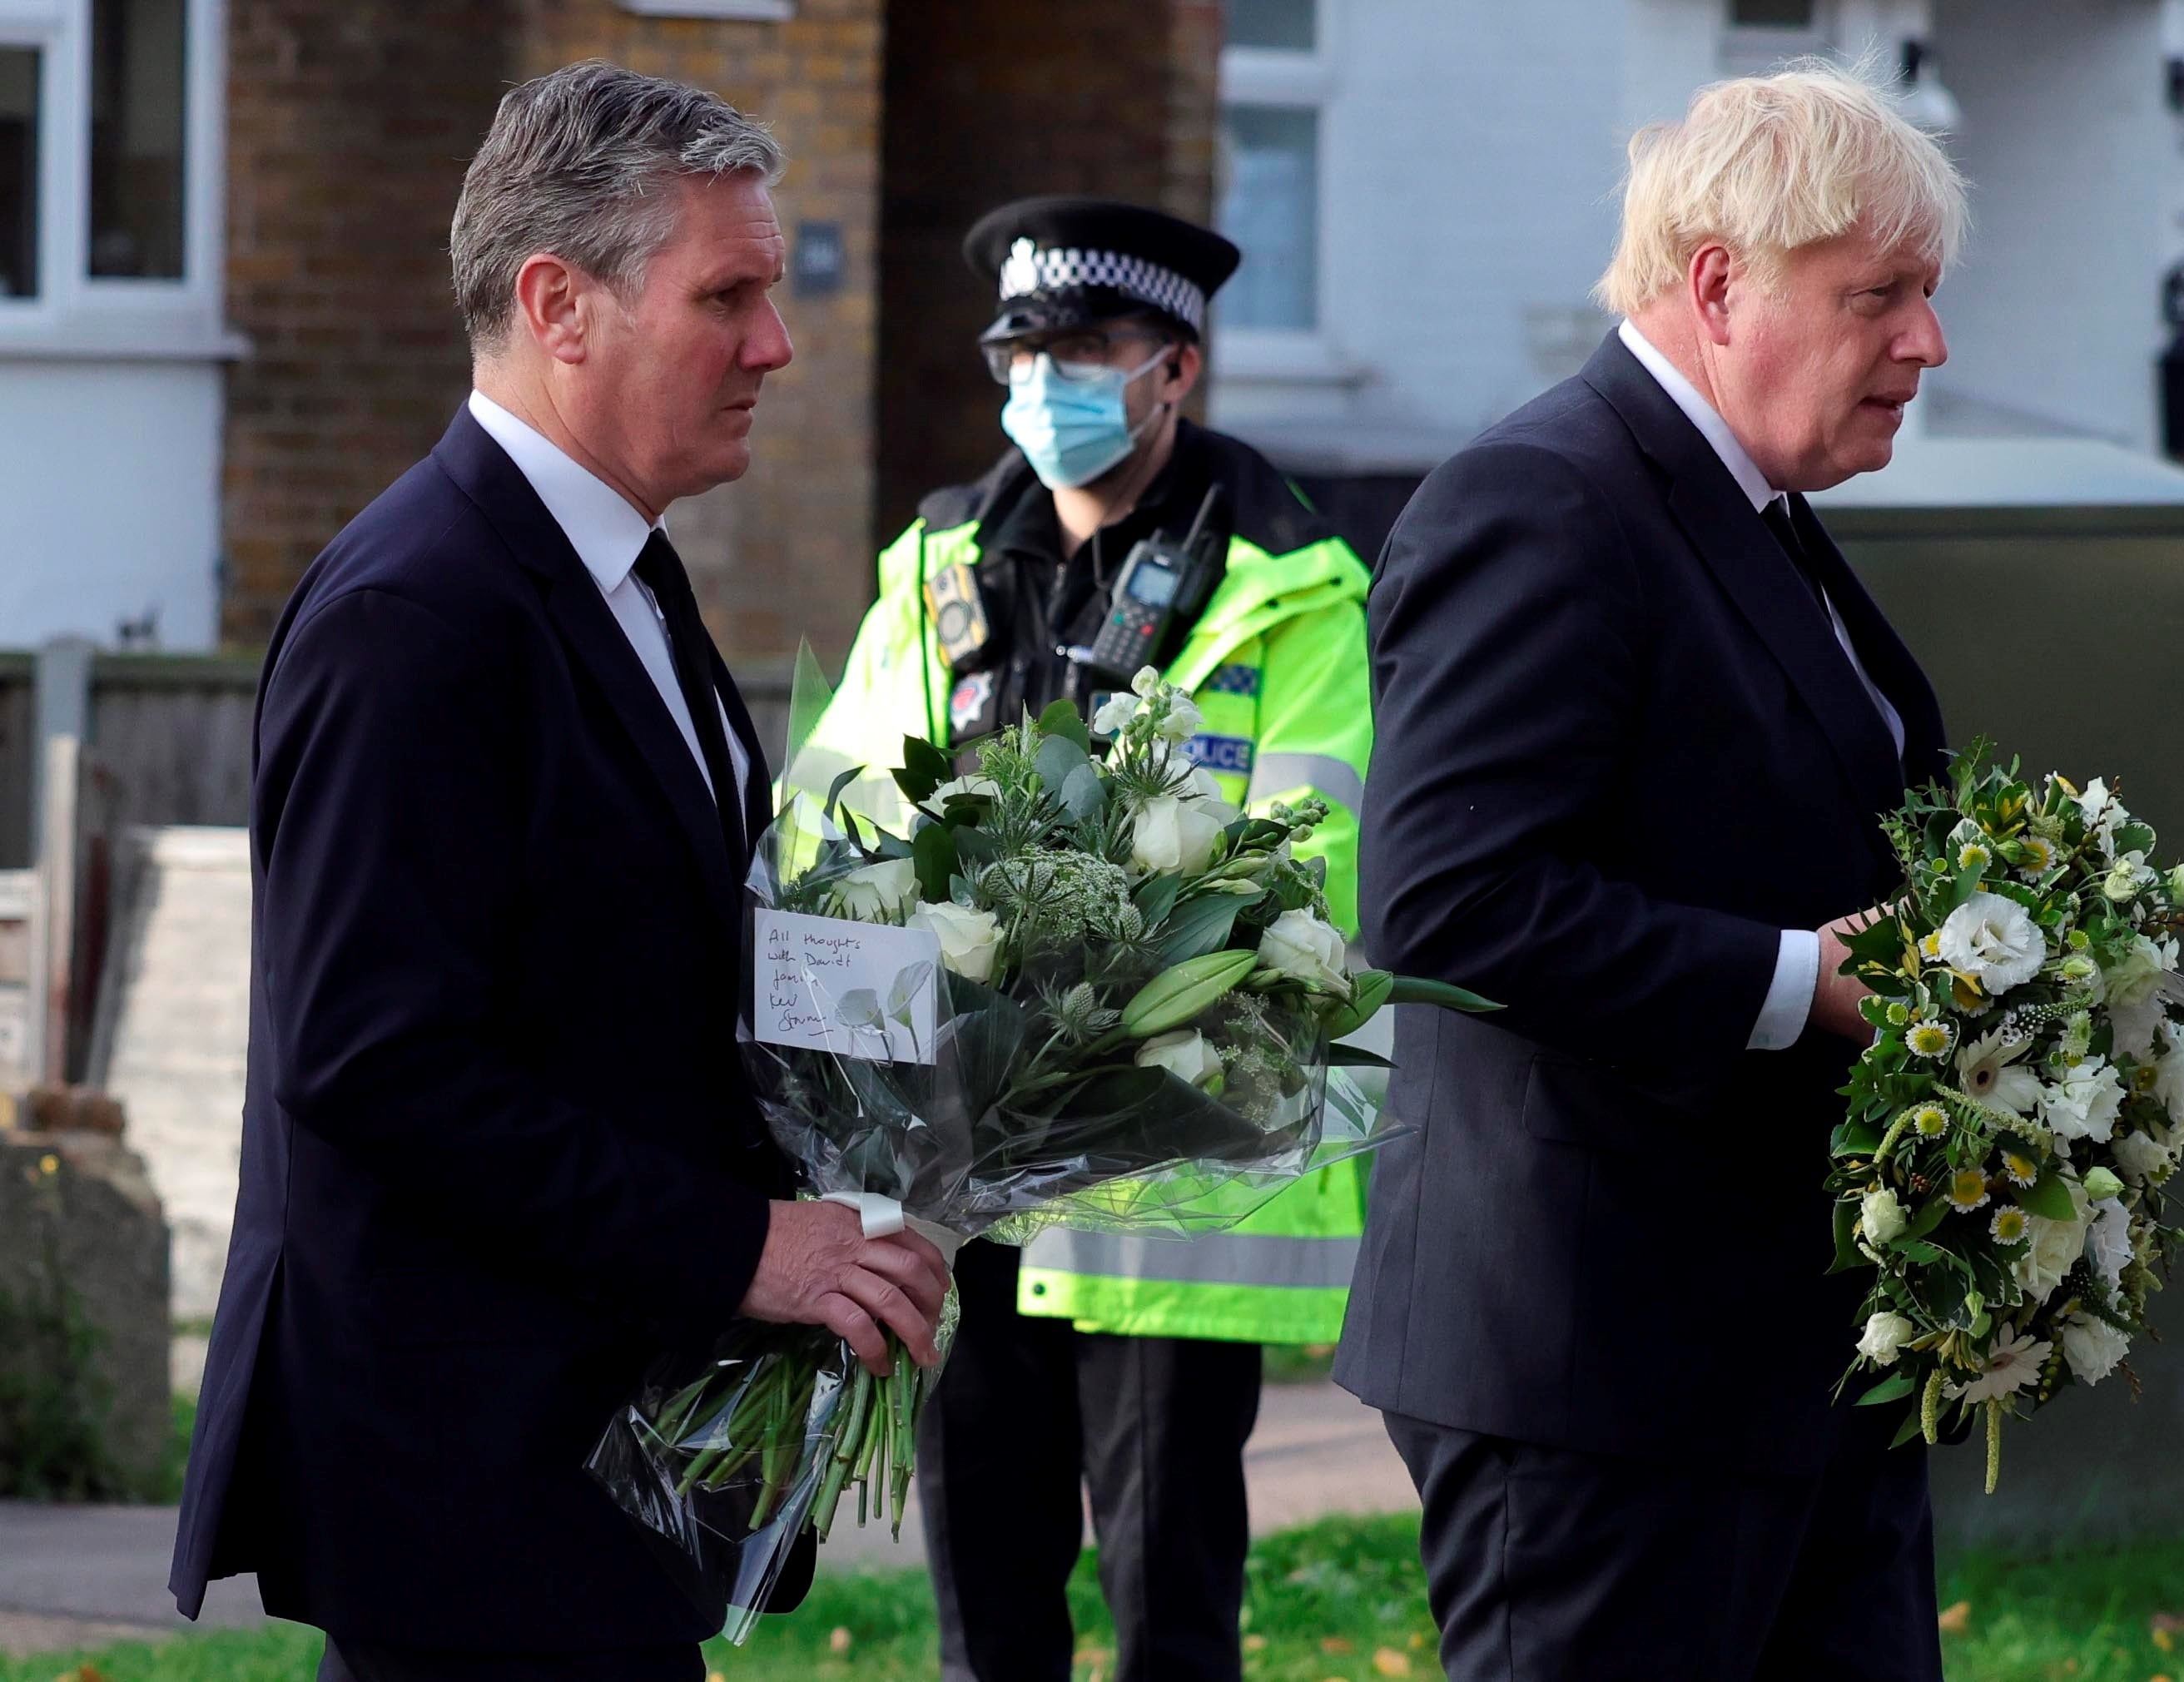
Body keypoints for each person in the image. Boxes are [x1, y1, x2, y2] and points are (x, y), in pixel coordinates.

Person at [167, 62, 950, 1682]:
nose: (775, 343)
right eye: (724, 295)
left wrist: (942, 1077)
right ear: (558, 305)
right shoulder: (419, 612)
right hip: (471, 1473)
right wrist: (750, 1248)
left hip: (599, 1451)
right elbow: (371, 1060)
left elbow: (648, 959)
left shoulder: (623, 575)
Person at [1334, 63, 1963, 1680]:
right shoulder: (1542, 498)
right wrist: (1790, 986)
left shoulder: (1745, 503)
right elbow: (1440, 896)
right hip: (1598, 1378)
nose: (1923, 345)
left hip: (1778, 1355)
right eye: (1877, 297)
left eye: (1928, 297)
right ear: (1714, 286)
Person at [792, 196, 1372, 1682]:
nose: (1045, 378)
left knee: (1171, 1609)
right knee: (984, 1615)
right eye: (1024, 347)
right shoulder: (931, 575)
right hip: (958, 1171)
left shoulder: (1292, 583)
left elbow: (1309, 856)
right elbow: (835, 830)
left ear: (1173, 367)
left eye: (1087, 348)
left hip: (1161, 1173)